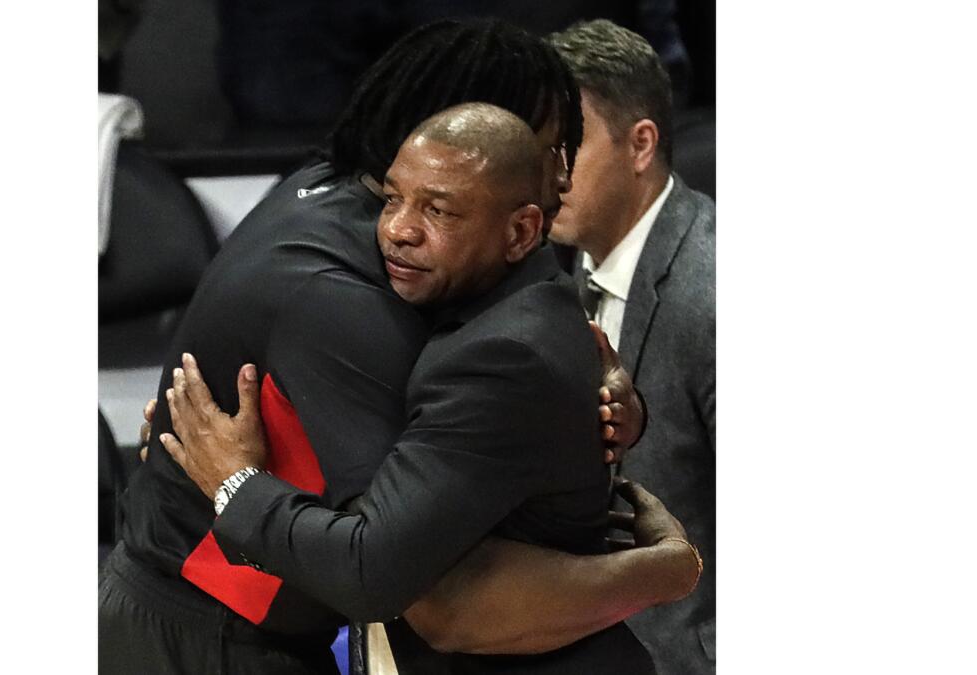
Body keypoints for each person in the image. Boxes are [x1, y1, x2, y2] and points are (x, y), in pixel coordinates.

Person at [100, 19, 692, 675]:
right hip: (204, 636)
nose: (557, 176)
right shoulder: (346, 295)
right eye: (545, 146)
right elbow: (427, 593)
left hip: (233, 615)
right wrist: (661, 570)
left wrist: (600, 385)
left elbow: (532, 345)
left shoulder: (353, 192)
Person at [547, 19, 717, 674]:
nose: (548, 171)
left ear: (640, 144)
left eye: (569, 144)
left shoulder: (714, 298)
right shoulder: (572, 268)